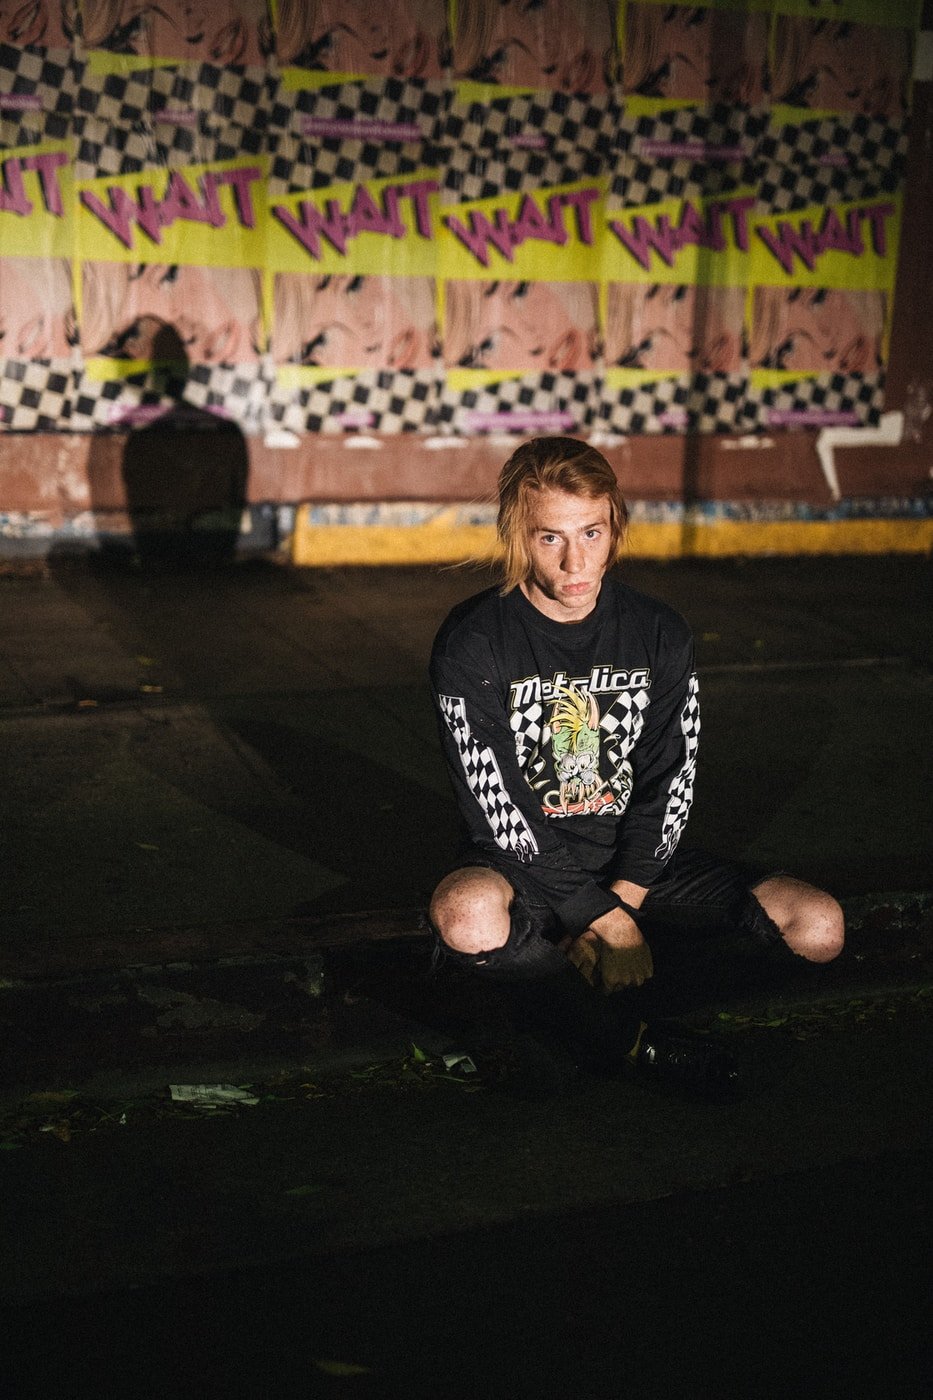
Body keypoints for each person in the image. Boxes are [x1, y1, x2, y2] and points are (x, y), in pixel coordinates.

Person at [428, 436, 844, 1097]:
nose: (575, 560)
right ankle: (630, 1043)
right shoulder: (474, 640)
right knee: (465, 912)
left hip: (634, 866)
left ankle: (564, 1001)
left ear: (615, 522)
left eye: (591, 531)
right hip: (524, 868)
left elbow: (668, 782)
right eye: (549, 538)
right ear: (517, 533)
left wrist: (618, 908)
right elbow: (496, 805)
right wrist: (594, 915)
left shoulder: (657, 630)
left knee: (816, 925)